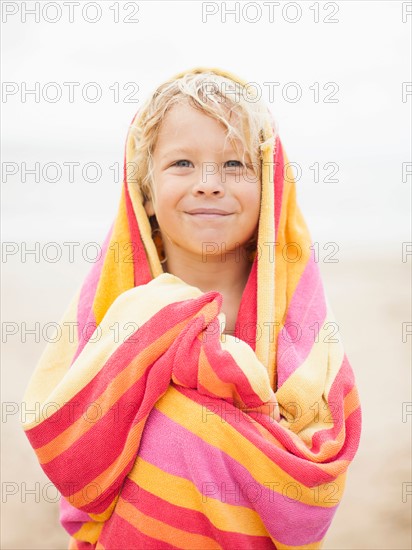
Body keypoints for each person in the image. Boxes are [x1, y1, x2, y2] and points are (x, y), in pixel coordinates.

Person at [21, 67, 362, 549]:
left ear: (270, 186)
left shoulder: (294, 323)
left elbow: (315, 478)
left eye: (235, 165)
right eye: (182, 163)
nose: (208, 183)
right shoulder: (122, 311)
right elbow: (71, 442)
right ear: (145, 188)